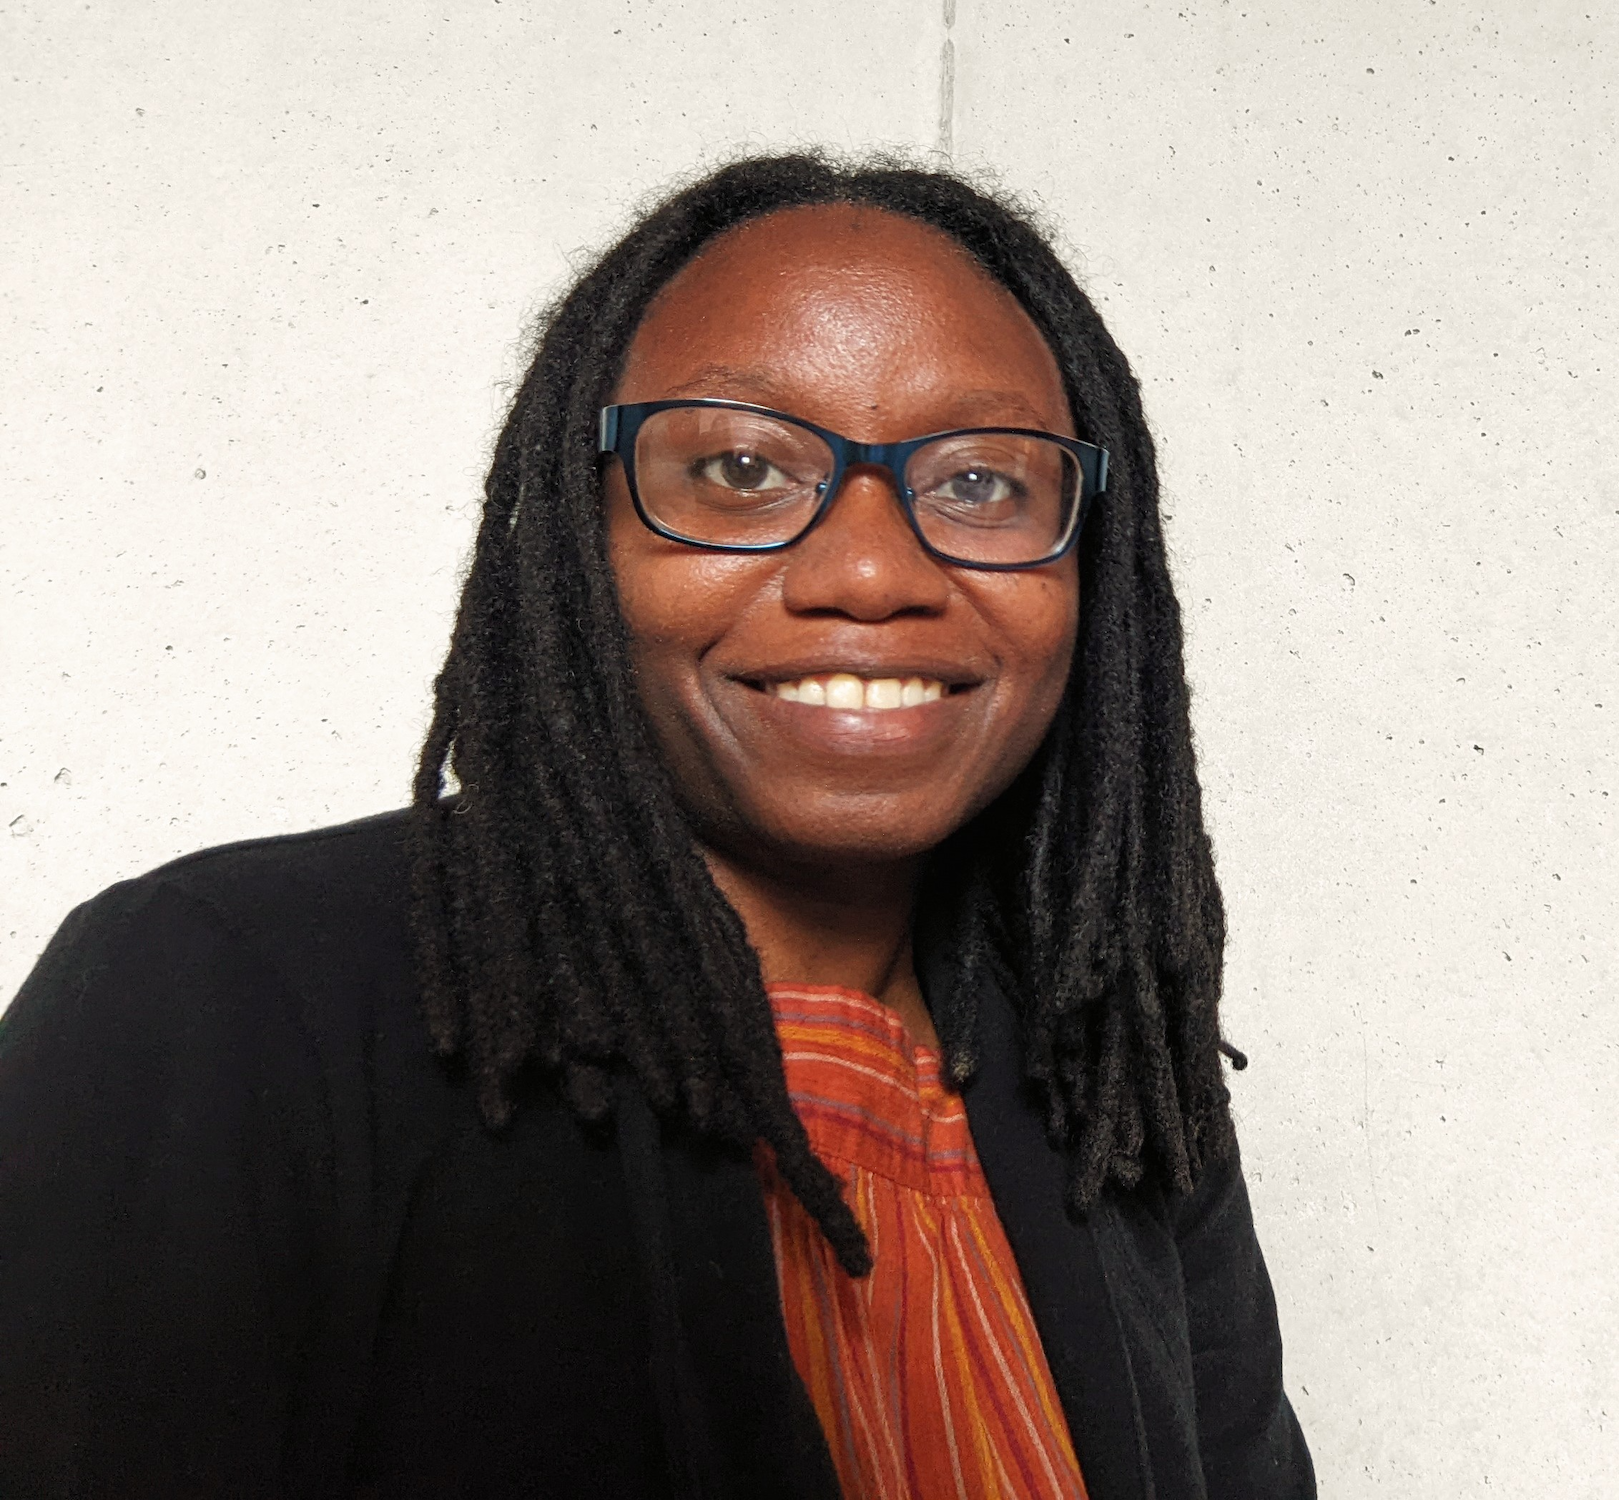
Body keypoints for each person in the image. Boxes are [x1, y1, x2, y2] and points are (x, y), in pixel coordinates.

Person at [0, 154, 1315, 1498]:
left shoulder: (1106, 1085)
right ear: (577, 535)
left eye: (981, 483)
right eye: (741, 468)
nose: (872, 572)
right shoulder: (231, 996)